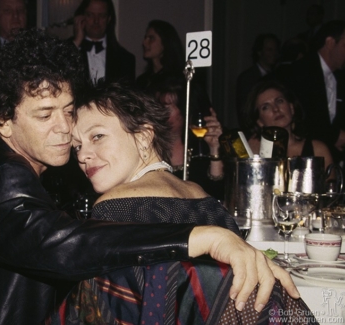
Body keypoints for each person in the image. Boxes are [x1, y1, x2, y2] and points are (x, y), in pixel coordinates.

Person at [0, 29, 298, 325]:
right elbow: (63, 245)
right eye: (45, 114)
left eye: (68, 111)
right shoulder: (2, 177)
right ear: (3, 121)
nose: (65, 129)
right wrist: (200, 235)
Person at [53, 83, 314, 324]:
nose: (83, 155)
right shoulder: (202, 196)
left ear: (144, 137)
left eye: (96, 136)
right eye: (76, 147)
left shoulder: (113, 206)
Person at [280, 20, 345, 164]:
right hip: (305, 158)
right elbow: (303, 115)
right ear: (330, 42)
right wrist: (334, 136)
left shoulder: (339, 76)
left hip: (333, 158)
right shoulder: (301, 72)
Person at [154, 77, 225, 200]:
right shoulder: (148, 147)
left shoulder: (200, 147)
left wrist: (214, 149)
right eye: (156, 107)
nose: (158, 114)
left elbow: (216, 194)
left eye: (165, 108)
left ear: (186, 111)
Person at [244, 79, 333, 170]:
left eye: (279, 101)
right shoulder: (254, 153)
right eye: (265, 107)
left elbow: (331, 183)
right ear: (259, 121)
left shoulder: (318, 150)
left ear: (291, 108)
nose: (275, 109)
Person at [72, 0, 135, 85]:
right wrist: (77, 41)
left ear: (109, 19)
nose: (96, 21)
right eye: (90, 15)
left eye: (101, 16)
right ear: (81, 17)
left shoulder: (125, 59)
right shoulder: (70, 49)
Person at [236, 33, 280, 128]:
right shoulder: (247, 78)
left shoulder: (279, 76)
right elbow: (244, 113)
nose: (274, 53)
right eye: (269, 50)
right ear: (259, 52)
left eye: (275, 50)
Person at [136, 20, 185, 93]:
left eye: (151, 38)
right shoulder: (142, 81)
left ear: (165, 42)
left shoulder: (180, 80)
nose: (144, 43)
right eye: (145, 38)